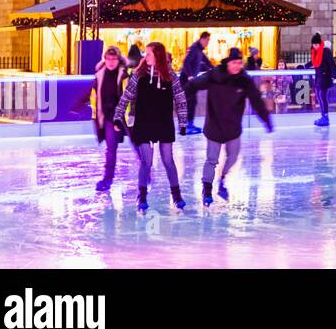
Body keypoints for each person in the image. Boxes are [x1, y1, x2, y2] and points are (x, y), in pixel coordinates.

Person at [186, 48, 273, 205]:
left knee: (232, 157)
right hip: (214, 126)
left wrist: (266, 120)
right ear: (228, 62)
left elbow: (256, 101)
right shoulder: (215, 75)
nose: (237, 66)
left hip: (233, 128)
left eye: (240, 63)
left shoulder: (244, 80)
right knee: (212, 160)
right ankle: (206, 189)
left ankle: (222, 180)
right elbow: (194, 85)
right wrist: (180, 94)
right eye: (234, 63)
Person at [114, 41, 189, 213]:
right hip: (144, 122)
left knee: (168, 160)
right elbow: (126, 96)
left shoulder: (170, 76)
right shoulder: (138, 75)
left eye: (148, 54)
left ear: (158, 56)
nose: (145, 57)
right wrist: (118, 116)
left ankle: (176, 196)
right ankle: (142, 196)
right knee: (146, 161)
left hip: (163, 122)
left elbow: (180, 99)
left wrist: (183, 122)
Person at [87, 46, 129, 193]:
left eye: (114, 59)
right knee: (111, 148)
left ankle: (146, 172)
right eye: (108, 59)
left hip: (122, 116)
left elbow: (128, 97)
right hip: (107, 117)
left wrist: (124, 117)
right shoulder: (99, 75)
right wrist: (96, 116)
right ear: (104, 59)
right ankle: (107, 179)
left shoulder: (124, 75)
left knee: (138, 145)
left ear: (119, 60)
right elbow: (94, 97)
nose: (111, 62)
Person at [178, 30, 214, 134]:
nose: (208, 42)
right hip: (186, 80)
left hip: (192, 81)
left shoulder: (199, 50)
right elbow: (186, 62)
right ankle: (185, 127)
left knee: (192, 102)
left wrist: (216, 70)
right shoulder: (194, 48)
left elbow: (207, 62)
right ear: (202, 39)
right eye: (207, 40)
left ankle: (190, 124)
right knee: (188, 102)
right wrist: (189, 75)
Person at [302, 33, 336, 127]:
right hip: (318, 77)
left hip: (326, 77)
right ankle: (323, 116)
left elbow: (332, 64)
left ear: (320, 43)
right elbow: (314, 62)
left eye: (317, 44)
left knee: (322, 96)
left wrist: (334, 76)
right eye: (314, 45)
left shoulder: (326, 51)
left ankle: (325, 117)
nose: (315, 46)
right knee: (319, 96)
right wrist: (305, 66)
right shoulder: (315, 51)